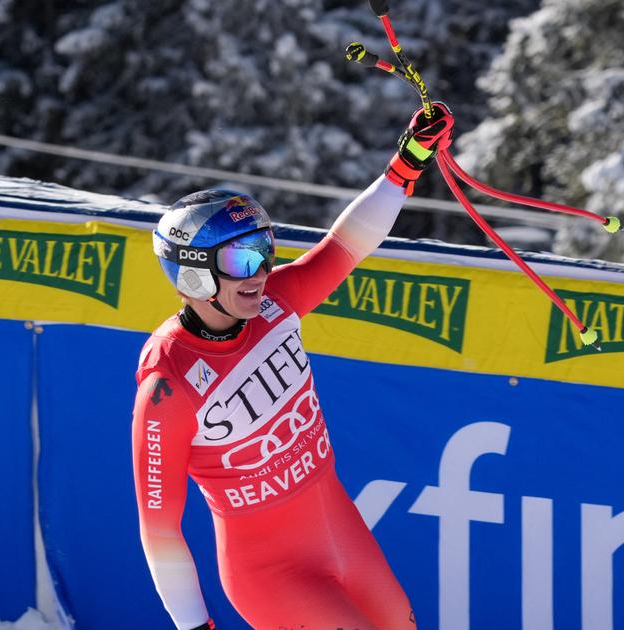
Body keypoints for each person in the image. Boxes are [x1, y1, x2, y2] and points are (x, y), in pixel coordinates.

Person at [131, 103, 454, 629]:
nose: (260, 272)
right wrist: (193, 627)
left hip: (342, 536)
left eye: (264, 251)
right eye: (241, 260)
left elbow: (346, 245)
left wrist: (407, 164)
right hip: (271, 573)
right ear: (192, 274)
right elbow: (159, 530)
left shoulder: (276, 303)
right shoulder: (168, 384)